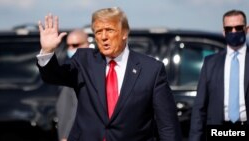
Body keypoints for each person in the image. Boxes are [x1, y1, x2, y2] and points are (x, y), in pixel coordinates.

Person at [37, 7, 182, 141]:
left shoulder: (151, 69)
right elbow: (54, 76)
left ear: (124, 32)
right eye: (98, 32)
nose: (103, 37)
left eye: (109, 30)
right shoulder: (84, 60)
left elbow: (168, 125)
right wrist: (47, 51)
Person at [189, 9, 249, 141]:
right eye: (229, 29)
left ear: (246, 29)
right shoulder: (211, 63)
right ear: (224, 32)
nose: (233, 32)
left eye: (238, 28)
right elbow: (200, 107)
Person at [56, 29, 89, 141]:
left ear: (88, 44)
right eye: (69, 46)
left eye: (75, 45)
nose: (71, 49)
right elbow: (67, 108)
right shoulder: (69, 68)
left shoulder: (91, 69)